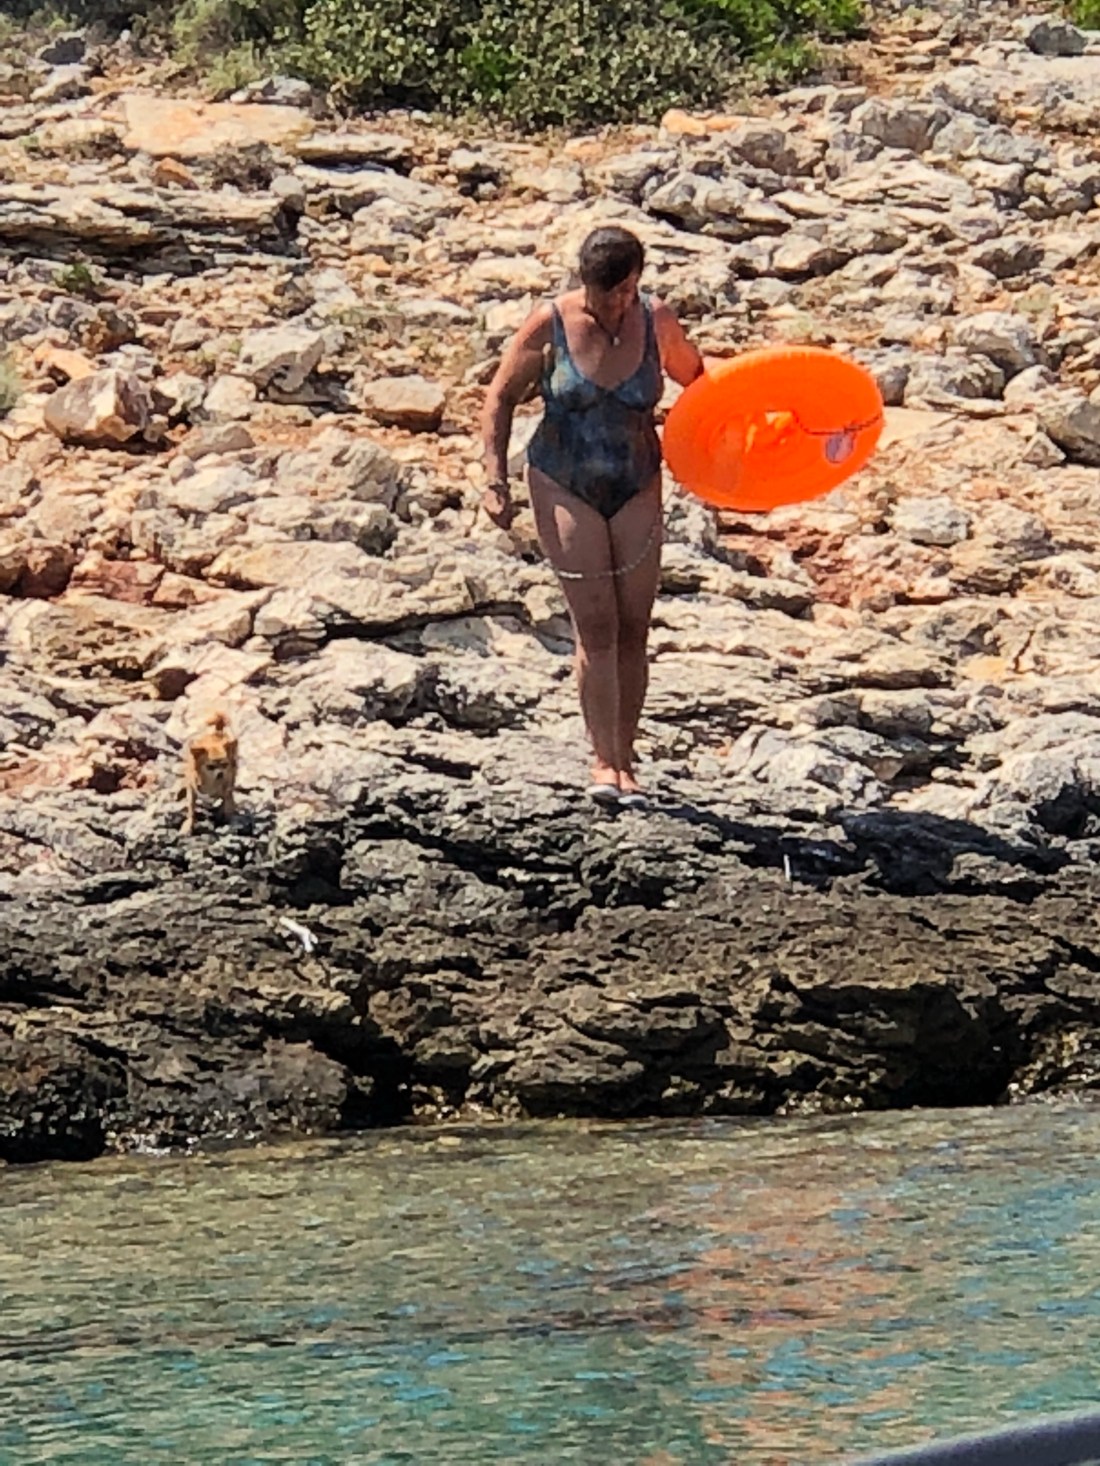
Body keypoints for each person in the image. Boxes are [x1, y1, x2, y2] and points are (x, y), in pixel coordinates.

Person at [480, 225, 704, 808]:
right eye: (603, 294)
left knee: (634, 627)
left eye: (622, 292)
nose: (612, 304)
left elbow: (700, 381)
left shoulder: (656, 320)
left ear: (635, 282)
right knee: (597, 626)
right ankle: (603, 763)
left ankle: (627, 759)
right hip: (564, 480)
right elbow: (501, 396)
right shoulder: (549, 323)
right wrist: (494, 479)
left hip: (637, 480)